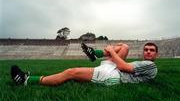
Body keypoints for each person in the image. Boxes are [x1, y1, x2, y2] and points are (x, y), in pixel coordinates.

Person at [11, 42, 158, 86]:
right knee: (125, 47)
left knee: (71, 72)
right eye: (146, 49)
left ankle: (26, 80)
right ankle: (95, 54)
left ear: (156, 55)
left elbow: (124, 67)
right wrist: (117, 48)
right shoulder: (144, 63)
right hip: (113, 69)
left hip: (114, 76)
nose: (148, 52)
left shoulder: (151, 65)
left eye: (152, 50)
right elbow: (122, 60)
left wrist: (112, 52)